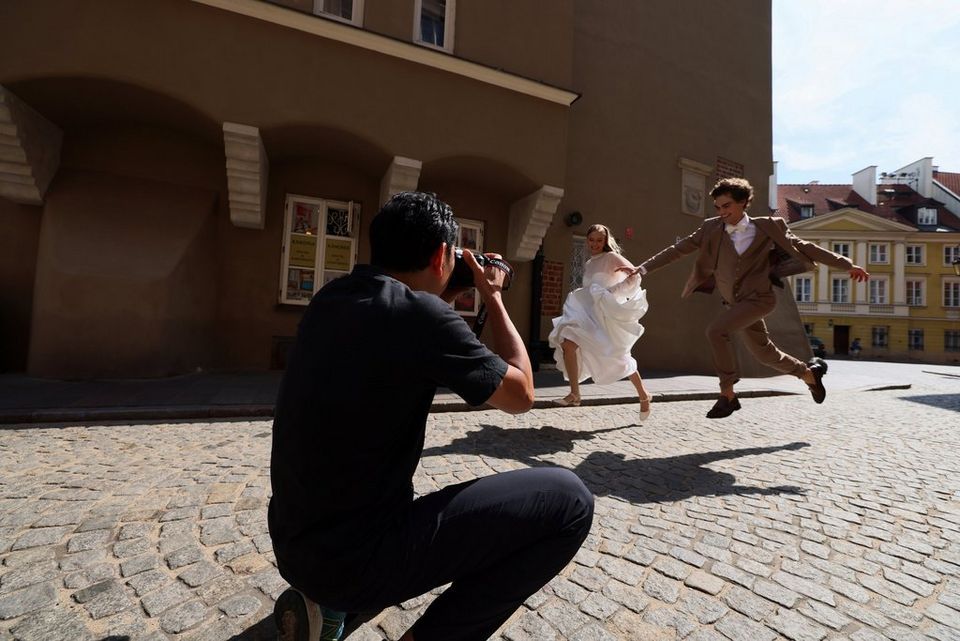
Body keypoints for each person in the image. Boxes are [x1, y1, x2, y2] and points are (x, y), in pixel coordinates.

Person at [268, 191, 594, 641]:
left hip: (294, 545)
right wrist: (493, 296)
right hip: (358, 561)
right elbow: (522, 394)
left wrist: (447, 286)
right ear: (442, 254)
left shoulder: (331, 298)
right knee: (570, 500)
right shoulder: (421, 316)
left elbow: (400, 335)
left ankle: (327, 607)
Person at [634, 177, 870, 419]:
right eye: (718, 207)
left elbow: (805, 247)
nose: (721, 212)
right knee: (765, 353)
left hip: (760, 299)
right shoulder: (710, 228)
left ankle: (727, 395)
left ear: (743, 202)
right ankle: (809, 374)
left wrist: (847, 264)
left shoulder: (768, 227)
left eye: (726, 206)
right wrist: (642, 269)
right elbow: (678, 249)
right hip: (736, 303)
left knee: (716, 331)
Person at [548, 223, 653, 420]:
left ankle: (644, 395)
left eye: (599, 240)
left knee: (618, 357)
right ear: (587, 240)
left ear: (605, 241)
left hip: (603, 315)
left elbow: (635, 276)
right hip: (587, 314)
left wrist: (611, 292)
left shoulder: (611, 257)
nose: (595, 244)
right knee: (568, 344)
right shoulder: (589, 263)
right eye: (591, 240)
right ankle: (575, 394)